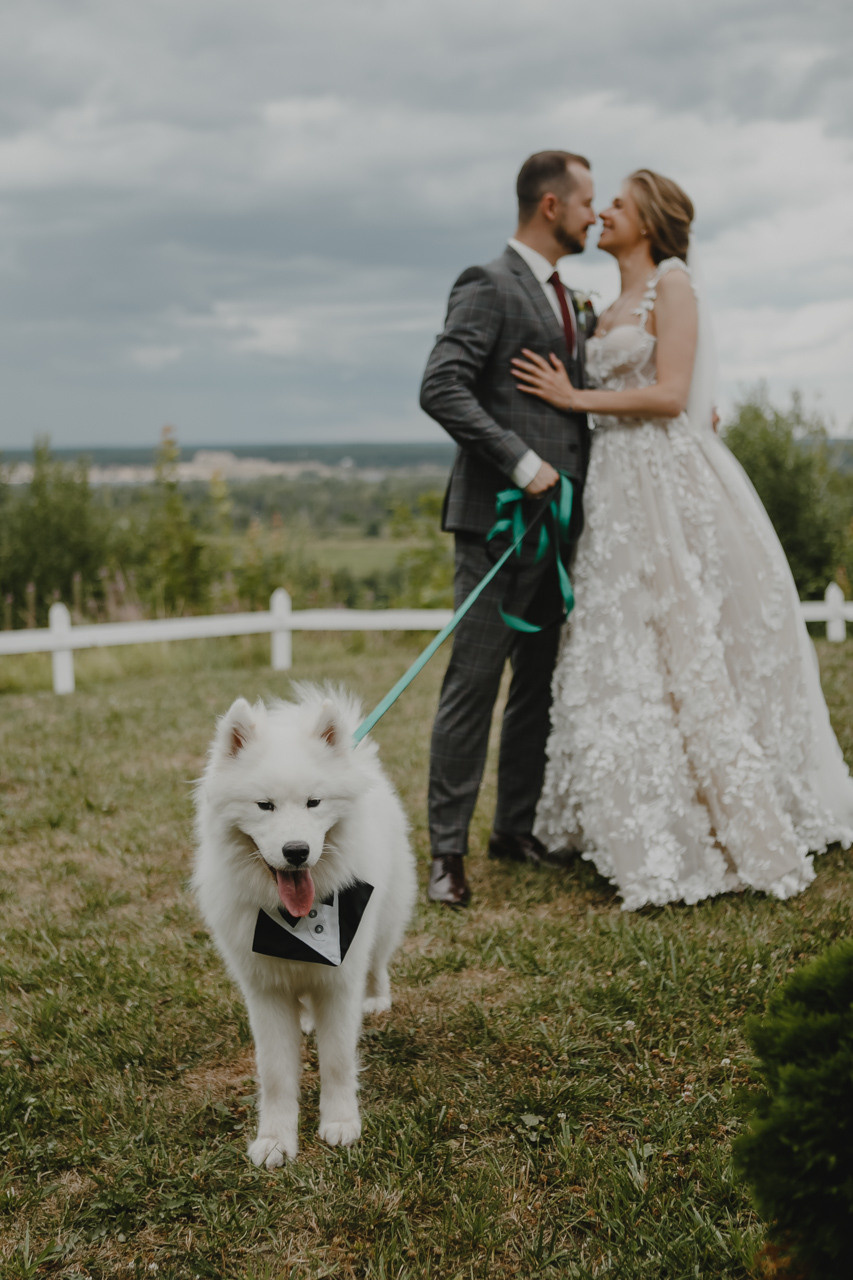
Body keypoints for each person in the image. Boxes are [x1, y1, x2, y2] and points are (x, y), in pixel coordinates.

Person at [512, 168, 853, 910]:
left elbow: (670, 395)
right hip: (615, 490)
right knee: (621, 646)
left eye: (618, 205)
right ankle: (627, 816)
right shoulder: (605, 303)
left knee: (689, 638)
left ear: (651, 221)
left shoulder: (673, 284)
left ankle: (715, 813)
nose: (601, 212)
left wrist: (576, 396)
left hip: (666, 488)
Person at [419, 150, 597, 907]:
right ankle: (446, 855)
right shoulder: (486, 283)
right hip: (495, 525)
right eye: (587, 200)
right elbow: (441, 387)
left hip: (560, 530)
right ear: (550, 205)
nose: (596, 213)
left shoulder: (571, 299)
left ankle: (512, 828)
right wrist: (520, 464)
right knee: (474, 684)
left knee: (536, 688)